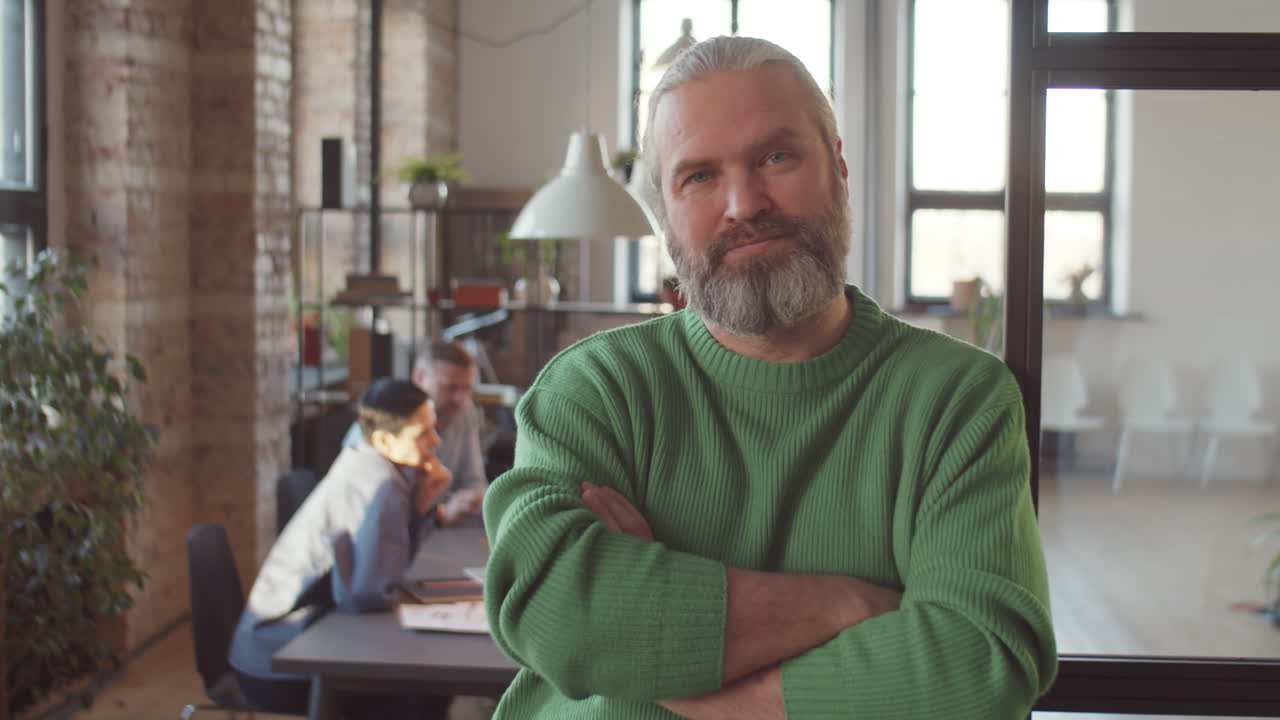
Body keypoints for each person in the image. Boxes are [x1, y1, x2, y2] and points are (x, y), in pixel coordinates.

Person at [481, 35, 1058, 719]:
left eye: (777, 157)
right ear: (666, 219)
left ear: (838, 167)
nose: (744, 203)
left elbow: (978, 666)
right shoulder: (595, 389)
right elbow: (555, 615)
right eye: (699, 176)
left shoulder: (958, 399)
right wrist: (847, 603)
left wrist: (676, 649)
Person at [229, 377, 454, 719]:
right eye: (422, 434)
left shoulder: (362, 456)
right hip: (281, 663)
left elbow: (383, 576)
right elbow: (369, 595)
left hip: (267, 647)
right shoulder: (379, 486)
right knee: (425, 693)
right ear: (382, 439)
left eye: (433, 429)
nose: (435, 441)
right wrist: (417, 510)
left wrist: (420, 507)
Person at [343, 340, 486, 524]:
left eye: (467, 389)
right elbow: (374, 515)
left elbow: (474, 481)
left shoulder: (465, 411)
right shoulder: (384, 422)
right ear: (419, 377)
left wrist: (470, 500)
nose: (461, 399)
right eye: (450, 387)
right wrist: (438, 512)